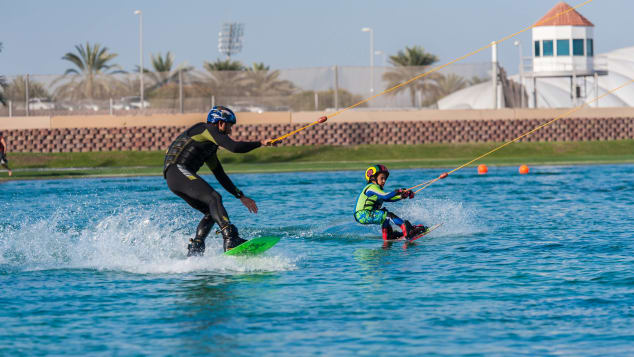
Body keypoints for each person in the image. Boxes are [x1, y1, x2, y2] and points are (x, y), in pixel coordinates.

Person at [164, 106, 273, 256]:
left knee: (211, 211)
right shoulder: (206, 129)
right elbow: (234, 147)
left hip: (176, 178)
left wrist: (240, 196)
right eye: (229, 126)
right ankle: (230, 238)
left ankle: (196, 248)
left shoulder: (208, 147)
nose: (230, 131)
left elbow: (219, 174)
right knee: (214, 198)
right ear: (220, 123)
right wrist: (260, 143)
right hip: (177, 171)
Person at [354, 164, 428, 241]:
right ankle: (408, 231)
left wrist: (402, 196)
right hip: (363, 214)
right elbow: (386, 196)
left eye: (385, 179)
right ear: (373, 178)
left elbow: (388, 199)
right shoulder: (371, 187)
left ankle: (388, 235)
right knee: (388, 215)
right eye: (382, 178)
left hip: (364, 214)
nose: (384, 181)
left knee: (385, 214)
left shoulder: (377, 189)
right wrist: (398, 191)